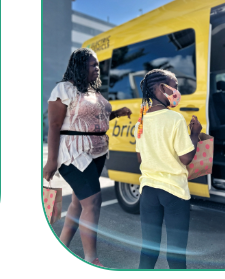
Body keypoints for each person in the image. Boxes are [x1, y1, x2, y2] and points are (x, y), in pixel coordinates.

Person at [47, 48, 126, 265]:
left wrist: (117, 113)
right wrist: (51, 160)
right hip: (74, 153)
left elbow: (97, 113)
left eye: (97, 65)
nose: (97, 68)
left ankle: (61, 246)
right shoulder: (64, 89)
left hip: (98, 152)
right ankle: (91, 259)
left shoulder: (92, 91)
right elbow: (54, 125)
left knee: (78, 203)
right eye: (93, 65)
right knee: (93, 202)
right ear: (80, 66)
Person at [135, 69, 206, 269]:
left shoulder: (140, 122)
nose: (177, 91)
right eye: (174, 86)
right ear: (161, 88)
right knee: (176, 254)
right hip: (174, 192)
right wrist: (195, 134)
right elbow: (186, 158)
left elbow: (140, 159)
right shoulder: (174, 119)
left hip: (148, 191)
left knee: (148, 250)